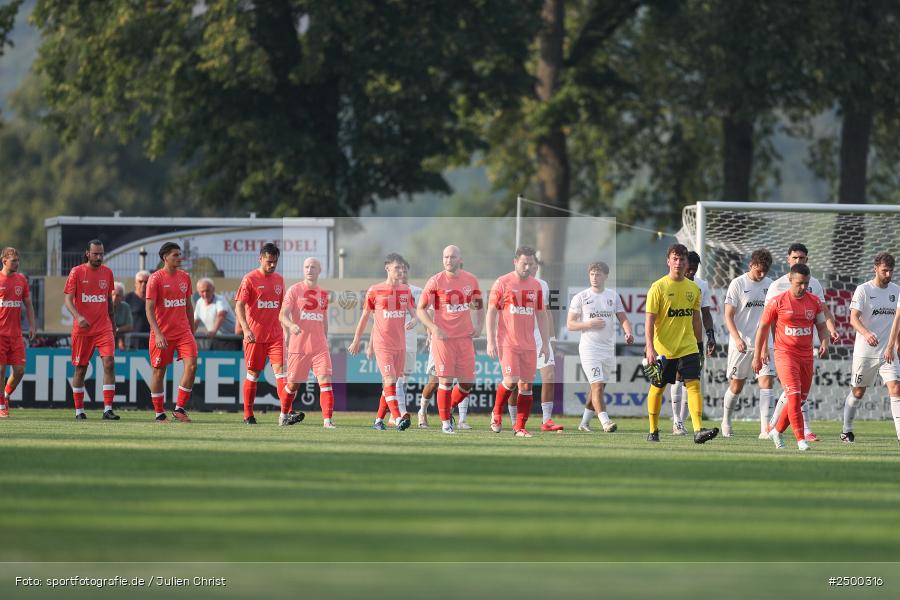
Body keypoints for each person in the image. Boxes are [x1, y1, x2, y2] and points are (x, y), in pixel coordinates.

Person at [761, 243, 839, 441]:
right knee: (793, 390)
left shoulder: (814, 284)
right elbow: (766, 320)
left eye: (802, 258)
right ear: (788, 259)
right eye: (795, 258)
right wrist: (766, 347)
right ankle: (802, 432)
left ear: (807, 259)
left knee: (797, 392)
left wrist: (830, 330)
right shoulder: (777, 286)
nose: (798, 261)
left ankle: (773, 425)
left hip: (805, 345)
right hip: (780, 346)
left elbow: (823, 311)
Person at [644, 243, 718, 444]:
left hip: (688, 347)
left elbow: (696, 319)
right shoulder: (657, 287)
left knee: (693, 385)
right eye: (675, 259)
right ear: (668, 261)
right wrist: (649, 348)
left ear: (687, 263)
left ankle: (698, 430)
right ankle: (653, 429)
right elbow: (649, 320)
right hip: (664, 349)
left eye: (682, 259)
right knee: (658, 388)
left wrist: (700, 345)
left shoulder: (694, 288)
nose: (678, 263)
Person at [753, 263, 829, 451]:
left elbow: (821, 325)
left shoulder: (814, 301)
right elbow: (762, 328)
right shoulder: (777, 301)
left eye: (806, 283)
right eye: (799, 283)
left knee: (800, 399)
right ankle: (800, 439)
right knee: (793, 396)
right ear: (790, 280)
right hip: (785, 355)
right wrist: (758, 354)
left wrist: (825, 341)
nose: (803, 287)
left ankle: (777, 431)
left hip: (806, 356)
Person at [417, 246, 484, 434]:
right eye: (445, 257)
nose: (448, 260)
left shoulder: (470, 280)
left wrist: (479, 327)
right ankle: (446, 423)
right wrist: (434, 328)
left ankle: (447, 409)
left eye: (452, 257)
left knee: (467, 383)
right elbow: (421, 309)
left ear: (460, 259)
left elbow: (479, 306)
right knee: (443, 381)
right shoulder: (435, 281)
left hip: (464, 339)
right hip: (443, 340)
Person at [349, 253, 417, 431]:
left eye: (402, 268)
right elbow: (365, 317)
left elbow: (415, 312)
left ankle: (378, 420)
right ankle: (397, 418)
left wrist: (416, 320)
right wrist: (357, 340)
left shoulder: (405, 290)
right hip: (383, 344)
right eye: (397, 267)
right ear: (387, 268)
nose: (401, 270)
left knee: (391, 384)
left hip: (400, 344)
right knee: (389, 379)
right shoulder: (375, 290)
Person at [486, 246, 549, 438]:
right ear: (515, 262)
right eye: (524, 263)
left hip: (529, 343)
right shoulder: (503, 282)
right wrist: (490, 340)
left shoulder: (536, 286)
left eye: (531, 264)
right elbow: (491, 312)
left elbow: (541, 314)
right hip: (507, 342)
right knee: (511, 381)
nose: (528, 267)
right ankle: (497, 413)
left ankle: (519, 427)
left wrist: (545, 343)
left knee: (527, 386)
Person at [567, 261, 633, 433]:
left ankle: (584, 423)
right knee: (597, 386)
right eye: (592, 274)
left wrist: (628, 332)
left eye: (598, 274)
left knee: (599, 388)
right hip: (589, 349)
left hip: (607, 349)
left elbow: (623, 317)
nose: (594, 277)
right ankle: (605, 422)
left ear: (605, 276)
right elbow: (570, 324)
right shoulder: (581, 297)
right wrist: (588, 323)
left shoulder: (612, 296)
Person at [842, 252, 899, 443]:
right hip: (865, 352)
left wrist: (895, 343)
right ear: (875, 268)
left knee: (896, 388)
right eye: (885, 270)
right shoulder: (863, 290)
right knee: (858, 392)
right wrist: (866, 334)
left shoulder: (896, 290)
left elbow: (896, 321)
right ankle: (846, 430)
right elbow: (853, 318)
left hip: (887, 352)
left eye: (891, 270)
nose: (888, 274)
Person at [63, 240, 120, 420]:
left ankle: (108, 409)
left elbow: (108, 300)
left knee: (109, 363)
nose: (99, 257)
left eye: (101, 254)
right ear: (87, 253)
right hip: (83, 329)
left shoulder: (107, 273)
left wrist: (113, 321)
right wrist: (78, 317)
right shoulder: (77, 272)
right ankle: (79, 411)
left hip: (103, 327)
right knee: (81, 369)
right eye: (95, 254)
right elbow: (68, 300)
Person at [721, 249, 773, 437]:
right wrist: (736, 338)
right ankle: (726, 422)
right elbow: (728, 315)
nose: (762, 274)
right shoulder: (738, 284)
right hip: (741, 343)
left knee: (766, 382)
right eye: (759, 270)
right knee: (736, 386)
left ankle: (765, 429)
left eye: (765, 271)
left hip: (765, 344)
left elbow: (771, 320)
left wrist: (766, 345)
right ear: (751, 265)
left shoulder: (771, 285)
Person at [235, 243, 288, 425]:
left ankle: (285, 414)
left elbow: (281, 308)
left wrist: (287, 329)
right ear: (260, 259)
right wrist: (246, 329)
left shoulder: (279, 280)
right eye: (269, 261)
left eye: (275, 262)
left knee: (281, 372)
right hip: (255, 336)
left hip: (276, 335)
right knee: (253, 374)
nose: (272, 265)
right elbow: (239, 306)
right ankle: (248, 415)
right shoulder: (249, 279)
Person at [146, 242, 197, 422]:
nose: (179, 257)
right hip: (163, 333)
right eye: (175, 255)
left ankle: (179, 408)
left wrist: (192, 329)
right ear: (165, 257)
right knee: (159, 372)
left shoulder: (185, 277)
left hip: (183, 332)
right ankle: (159, 413)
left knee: (192, 366)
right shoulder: (155, 279)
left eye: (179, 254)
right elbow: (149, 309)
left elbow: (188, 306)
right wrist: (158, 334)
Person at [280, 257, 333, 428]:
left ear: (319, 270)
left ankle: (327, 421)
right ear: (303, 270)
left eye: (313, 267)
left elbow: (324, 319)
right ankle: (283, 414)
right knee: (292, 385)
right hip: (299, 346)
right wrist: (290, 325)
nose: (309, 269)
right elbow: (282, 314)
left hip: (319, 347)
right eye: (307, 267)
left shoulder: (324, 294)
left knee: (325, 381)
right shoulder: (294, 290)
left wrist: (325, 338)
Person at [669, 251, 717, 434]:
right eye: (689, 269)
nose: (691, 273)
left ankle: (682, 420)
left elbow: (705, 313)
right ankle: (677, 421)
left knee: (692, 379)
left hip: (694, 339)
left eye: (694, 271)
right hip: (674, 338)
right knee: (677, 377)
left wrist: (710, 335)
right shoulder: (671, 284)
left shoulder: (701, 285)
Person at [0, 247, 36, 418]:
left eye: (18, 260)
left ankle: (5, 395)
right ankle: (1, 405)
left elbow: (28, 304)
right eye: (13, 260)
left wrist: (33, 326)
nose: (17, 263)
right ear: (4, 261)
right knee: (0, 369)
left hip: (15, 334)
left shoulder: (21, 280)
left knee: (20, 370)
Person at [193, 278, 237, 350]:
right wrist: (189, 336)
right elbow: (195, 322)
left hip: (230, 339)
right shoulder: (199, 303)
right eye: (202, 291)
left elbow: (221, 315)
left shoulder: (220, 299)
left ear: (213, 289)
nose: (205, 294)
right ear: (198, 292)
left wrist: (213, 331)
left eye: (207, 290)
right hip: (215, 339)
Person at [125, 270, 151, 348]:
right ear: (135, 283)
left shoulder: (155, 299)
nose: (143, 284)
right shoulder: (127, 299)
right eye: (140, 282)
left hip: (151, 342)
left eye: (146, 282)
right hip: (132, 343)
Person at [112, 282, 133, 351]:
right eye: (113, 294)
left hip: (121, 342)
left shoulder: (126, 307)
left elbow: (129, 326)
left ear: (122, 297)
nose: (114, 297)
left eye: (117, 295)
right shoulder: (103, 305)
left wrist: (117, 330)